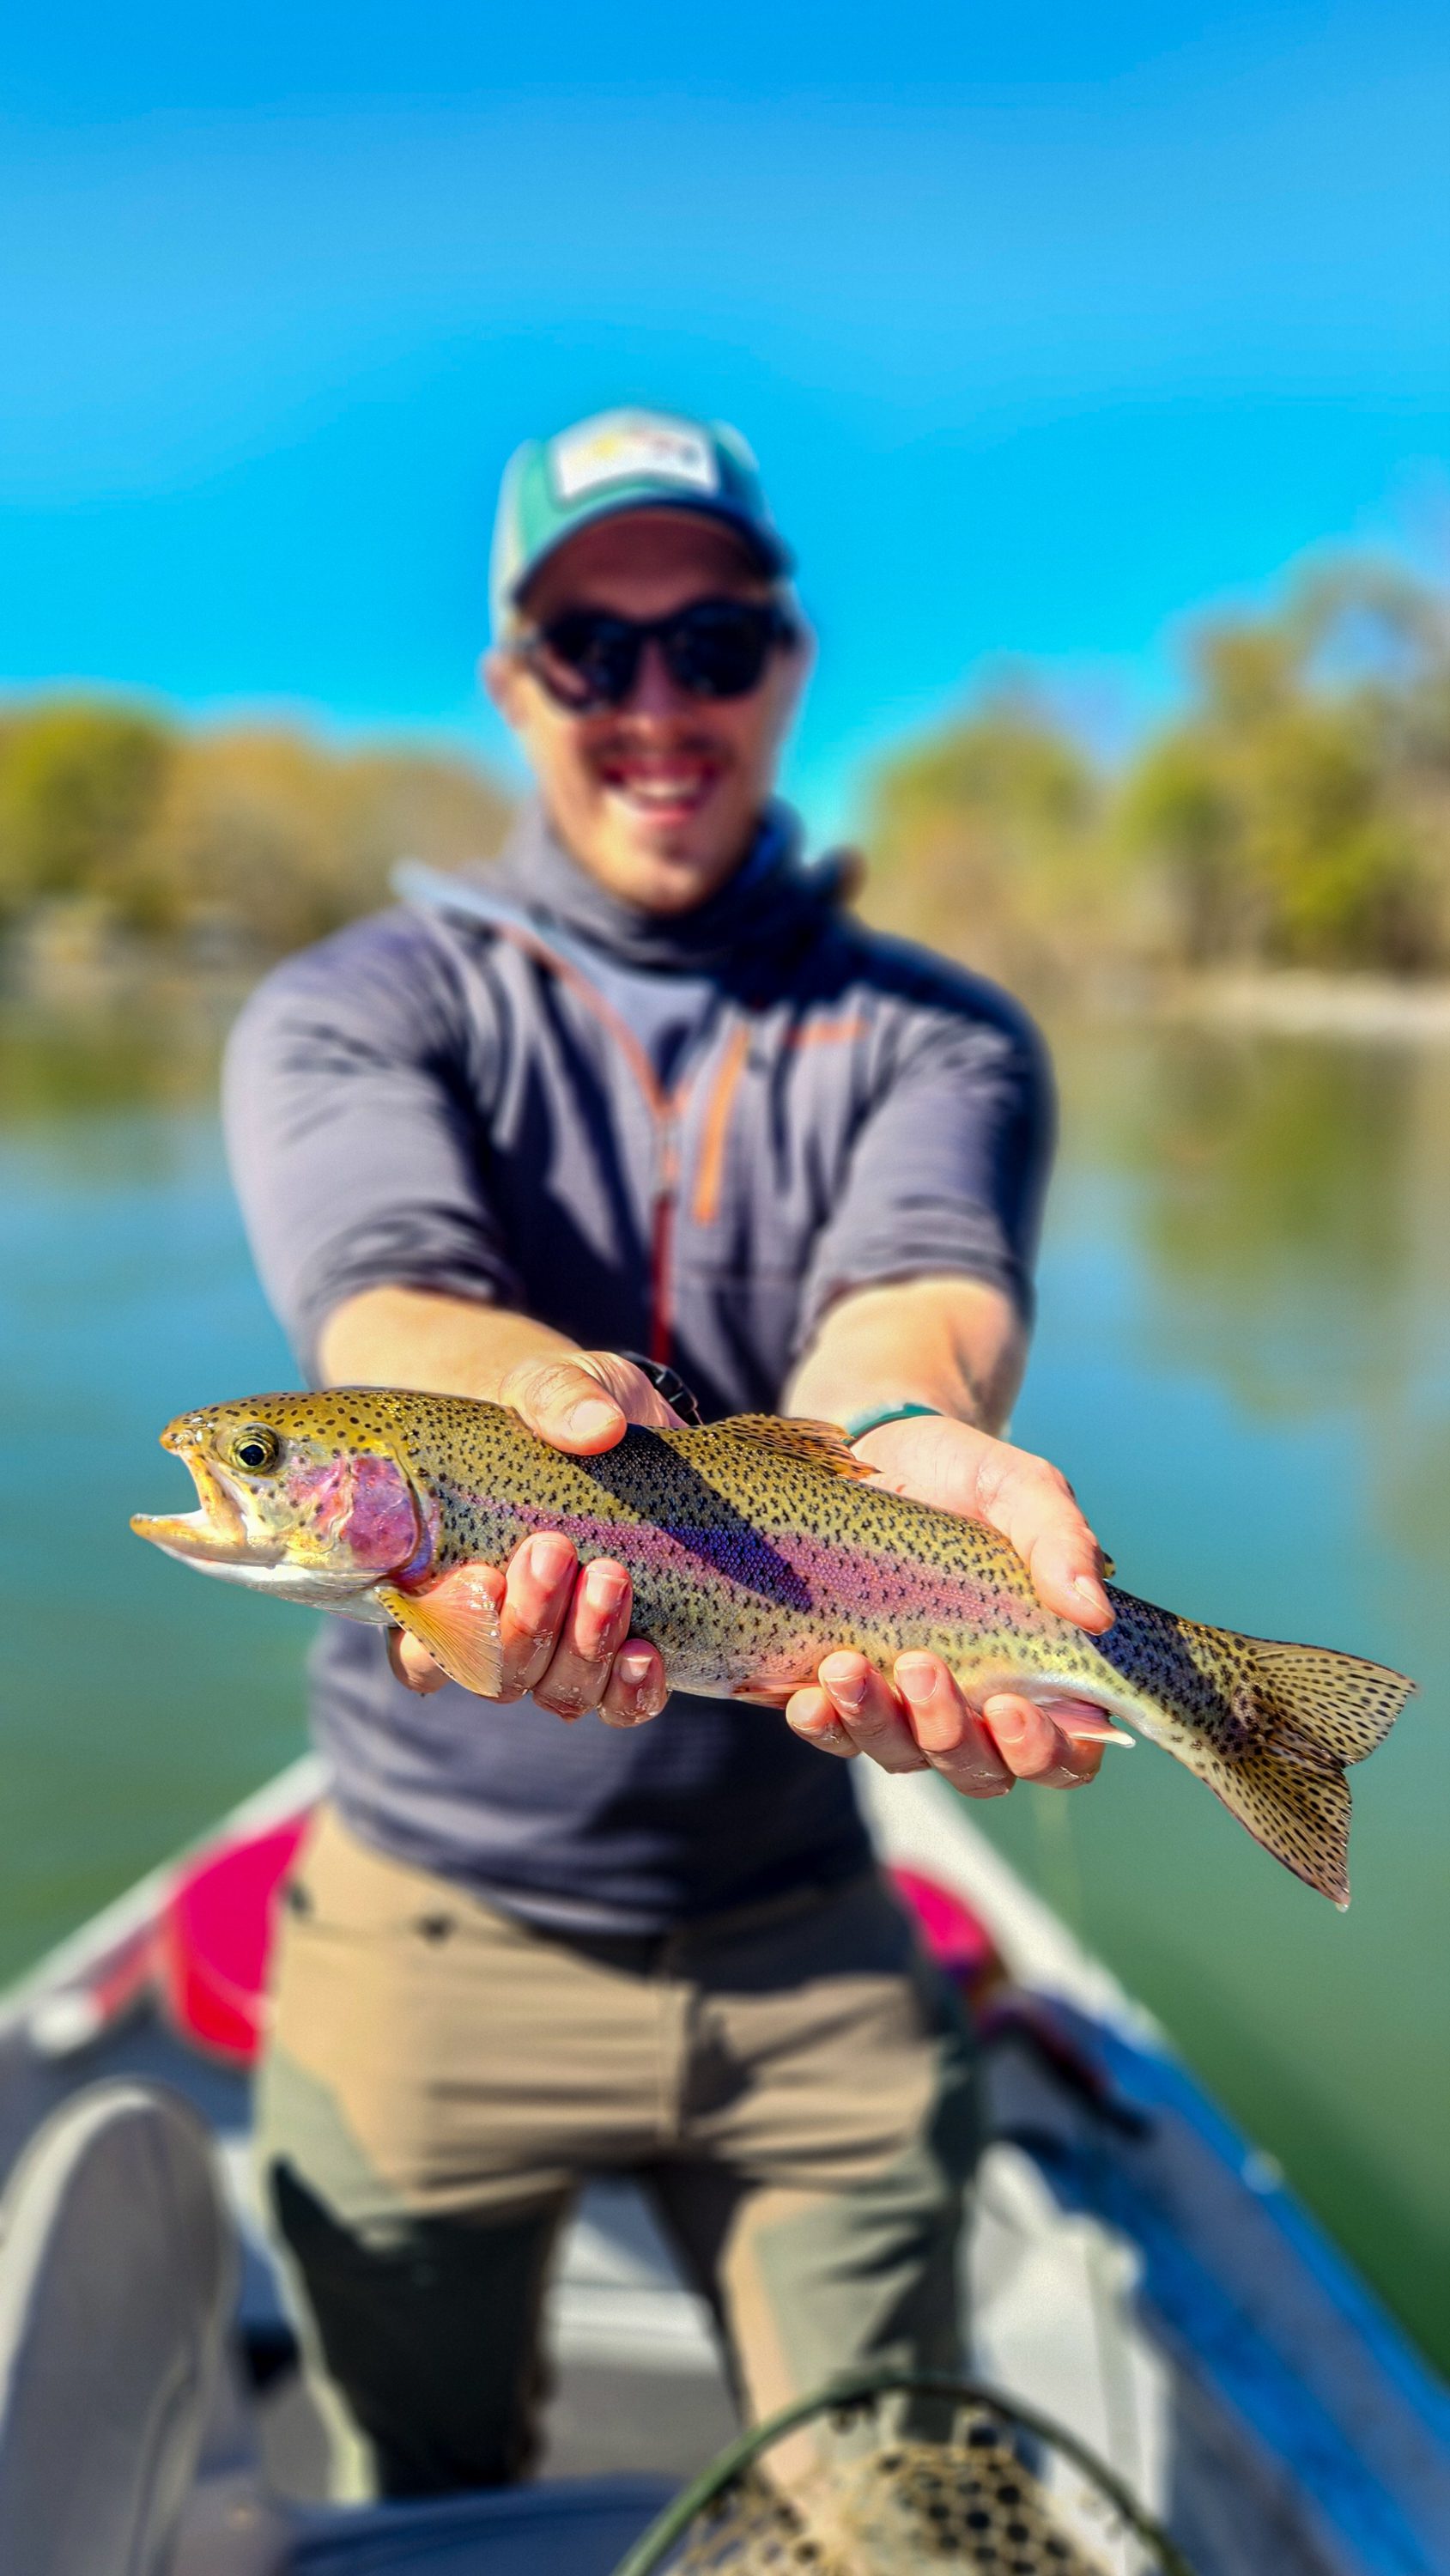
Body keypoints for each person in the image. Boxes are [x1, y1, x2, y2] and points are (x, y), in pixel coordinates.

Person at [225, 405, 1115, 2500]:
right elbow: (383, 1294)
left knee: (895, 2507)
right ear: (510, 684)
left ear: (786, 664)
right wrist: (513, 1404)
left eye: (707, 644)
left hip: (808, 1922)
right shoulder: (356, 1006)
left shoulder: (940, 1037)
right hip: (427, 1925)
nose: (652, 705)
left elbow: (911, 1295)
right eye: (588, 649)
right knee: (426, 2503)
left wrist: (901, 1426)